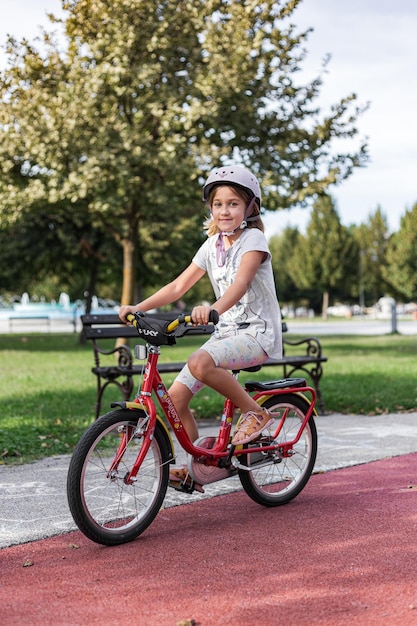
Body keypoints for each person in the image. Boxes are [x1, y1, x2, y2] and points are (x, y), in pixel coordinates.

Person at [119, 165, 282, 490]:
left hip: (256, 333)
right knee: (175, 400)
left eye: (233, 203)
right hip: (226, 335)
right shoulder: (211, 246)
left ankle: (256, 413)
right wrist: (139, 308)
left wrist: (212, 310)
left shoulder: (254, 239)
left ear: (250, 207)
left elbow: (240, 284)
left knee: (199, 362)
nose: (225, 210)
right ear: (210, 207)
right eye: (218, 203)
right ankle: (199, 463)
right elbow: (178, 286)